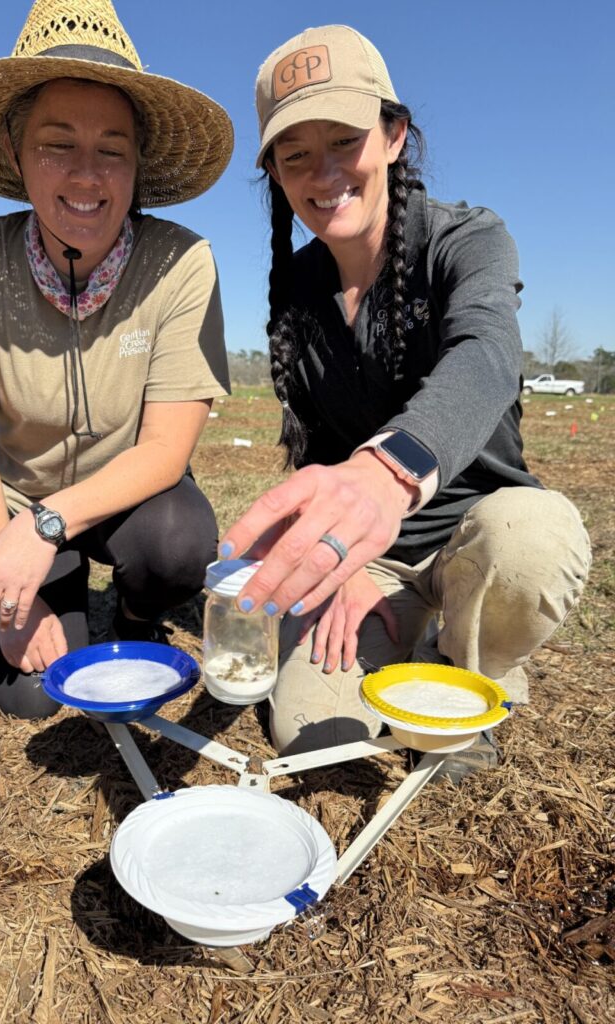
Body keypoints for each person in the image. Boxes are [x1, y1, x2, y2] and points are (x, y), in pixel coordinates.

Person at [219, 25, 591, 771]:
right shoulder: (295, 289)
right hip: (372, 559)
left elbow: (486, 354)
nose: (323, 174)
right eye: (295, 156)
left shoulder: (466, 239)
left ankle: (467, 662)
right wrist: (345, 567)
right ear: (277, 177)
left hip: (473, 540)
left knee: (533, 539)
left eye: (344, 140)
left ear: (393, 135)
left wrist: (386, 476)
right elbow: (316, 451)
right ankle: (405, 642)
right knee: (314, 738)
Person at [0, 0, 233, 719]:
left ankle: (138, 613)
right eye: (58, 144)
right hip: (18, 507)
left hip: (128, 500)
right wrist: (13, 568)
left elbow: (164, 451)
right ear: (14, 149)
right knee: (28, 694)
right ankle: (45, 589)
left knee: (180, 542)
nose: (87, 176)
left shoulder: (181, 262)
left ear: (137, 163)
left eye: (112, 149)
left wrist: (49, 526)